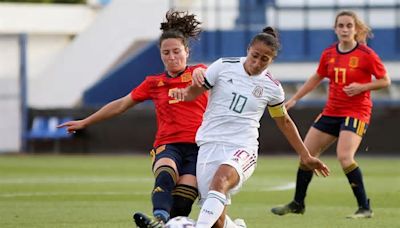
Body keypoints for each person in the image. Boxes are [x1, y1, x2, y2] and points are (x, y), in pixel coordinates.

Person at [58, 10, 208, 228]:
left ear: (187, 51)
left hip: (199, 147)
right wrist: (85, 122)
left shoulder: (200, 71)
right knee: (165, 175)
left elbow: (214, 80)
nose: (172, 57)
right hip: (168, 144)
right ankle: (159, 218)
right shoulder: (153, 83)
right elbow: (120, 105)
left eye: (177, 51)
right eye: (166, 53)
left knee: (183, 202)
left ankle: (164, 224)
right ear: (160, 54)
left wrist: (202, 77)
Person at [169, 26, 330, 228]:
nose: (257, 62)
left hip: (242, 147)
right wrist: (186, 89)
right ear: (248, 49)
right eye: (255, 55)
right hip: (209, 144)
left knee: (221, 179)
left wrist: (305, 155)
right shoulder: (223, 66)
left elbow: (284, 122)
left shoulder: (272, 88)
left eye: (265, 59)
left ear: (272, 60)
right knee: (217, 221)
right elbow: (194, 93)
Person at [270, 10, 391, 219]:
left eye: (349, 26)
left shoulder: (366, 55)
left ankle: (365, 207)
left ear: (355, 29)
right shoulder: (329, 54)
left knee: (344, 157)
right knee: (306, 155)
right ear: (335, 29)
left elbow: (384, 80)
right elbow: (317, 77)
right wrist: (296, 98)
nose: (345, 29)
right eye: (341, 26)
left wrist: (363, 87)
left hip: (356, 112)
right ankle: (298, 203)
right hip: (332, 111)